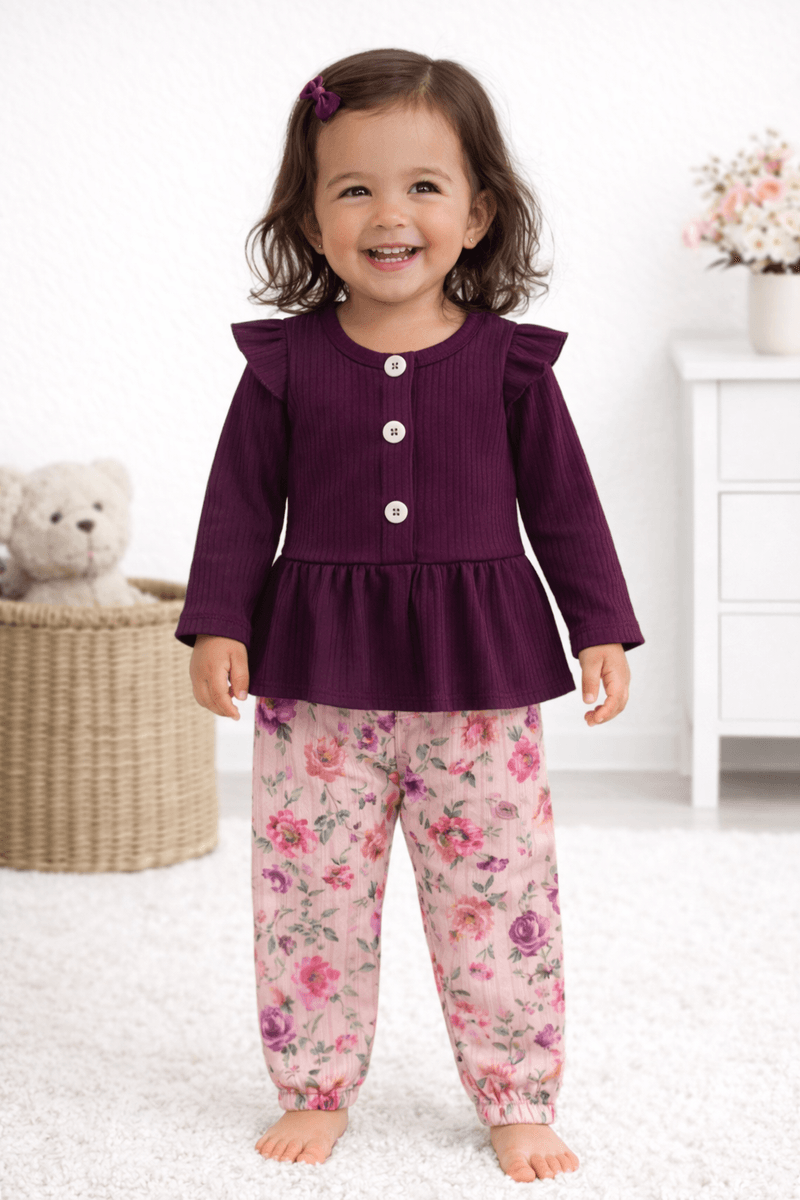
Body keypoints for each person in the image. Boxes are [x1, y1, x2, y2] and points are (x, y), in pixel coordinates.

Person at [175, 48, 644, 1183]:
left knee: (497, 894)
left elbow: (565, 505)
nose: (390, 215)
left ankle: (516, 1092)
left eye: (423, 186)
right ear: (311, 217)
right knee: (310, 896)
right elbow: (239, 502)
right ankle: (314, 1084)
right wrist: (218, 619)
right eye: (354, 188)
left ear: (476, 214)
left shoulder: (510, 365)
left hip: (478, 685)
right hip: (314, 685)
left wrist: (599, 626)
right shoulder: (283, 365)